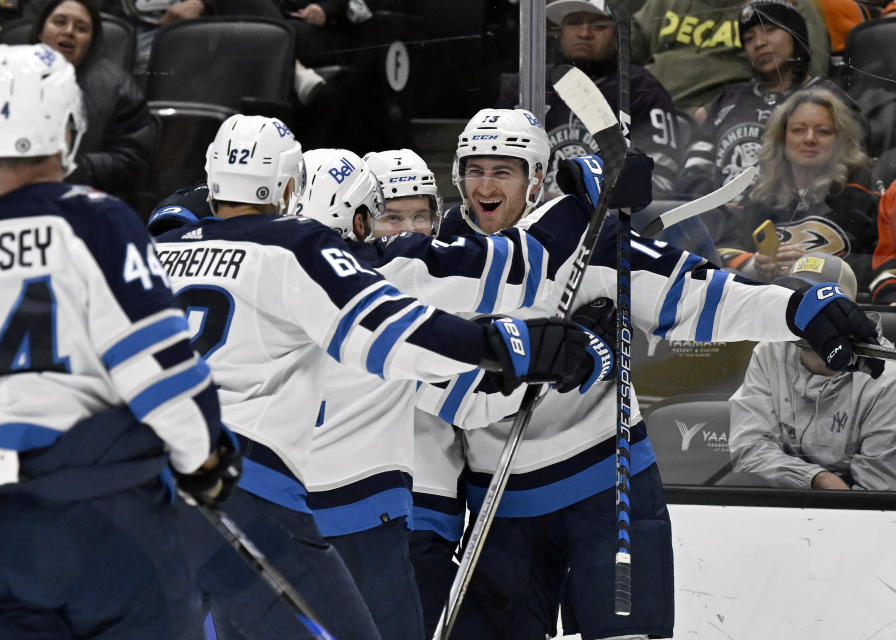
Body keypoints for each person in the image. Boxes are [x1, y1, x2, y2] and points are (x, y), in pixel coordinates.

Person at [414, 106, 882, 640]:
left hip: (608, 482)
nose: (485, 184)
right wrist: (585, 357)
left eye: (504, 170)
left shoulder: (596, 239)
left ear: (537, 177)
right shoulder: (439, 262)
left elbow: (695, 295)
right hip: (501, 501)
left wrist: (794, 312)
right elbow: (440, 390)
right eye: (475, 169)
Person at [153, 114, 595, 639]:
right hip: (293, 505)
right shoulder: (319, 256)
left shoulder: (160, 252)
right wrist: (507, 349)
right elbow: (423, 325)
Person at [0, 43, 239, 639]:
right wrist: (204, 458)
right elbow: (160, 367)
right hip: (105, 522)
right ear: (67, 123)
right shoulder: (95, 221)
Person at [730, 252, 896, 491]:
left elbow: (876, 494)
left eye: (821, 307)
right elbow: (748, 446)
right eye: (798, 303)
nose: (807, 318)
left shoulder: (887, 377)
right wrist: (818, 479)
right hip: (777, 508)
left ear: (849, 311)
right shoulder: (768, 352)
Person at [677, 0, 856, 204]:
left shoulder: (829, 98)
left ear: (795, 36)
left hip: (795, 222)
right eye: (749, 38)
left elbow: (848, 169)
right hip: (719, 223)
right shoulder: (729, 100)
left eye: (769, 30)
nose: (759, 43)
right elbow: (694, 169)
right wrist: (709, 210)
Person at [499, 0, 679, 197]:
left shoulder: (641, 88)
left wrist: (588, 204)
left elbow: (660, 180)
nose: (584, 34)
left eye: (599, 26)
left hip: (606, 223)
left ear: (618, 34)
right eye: (574, 23)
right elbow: (492, 166)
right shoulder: (528, 84)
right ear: (559, 31)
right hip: (529, 220)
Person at [715, 88, 878, 290]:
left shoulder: (860, 191)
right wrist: (755, 266)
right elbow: (721, 251)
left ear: (840, 140)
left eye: (823, 131)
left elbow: (882, 262)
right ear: (782, 138)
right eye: (799, 129)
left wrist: (814, 265)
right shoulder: (761, 195)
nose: (809, 139)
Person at [32, 0, 156, 198]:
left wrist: (71, 167)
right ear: (40, 32)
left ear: (91, 42)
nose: (69, 31)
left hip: (82, 201)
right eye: (59, 22)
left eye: (81, 28)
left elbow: (131, 160)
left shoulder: (118, 87)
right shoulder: (2, 75)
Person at [631, 0, 830, 116]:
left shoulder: (782, 4)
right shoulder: (665, 3)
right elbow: (623, 51)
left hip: (719, 117)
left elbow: (809, 69)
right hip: (641, 110)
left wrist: (719, 113)